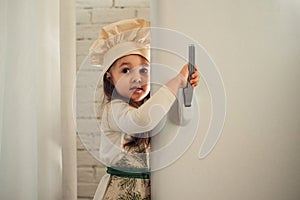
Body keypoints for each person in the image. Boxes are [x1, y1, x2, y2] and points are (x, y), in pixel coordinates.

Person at [89, 18, 200, 200]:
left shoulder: (148, 107)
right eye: (126, 70)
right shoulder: (113, 110)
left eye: (144, 70)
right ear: (110, 77)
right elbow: (141, 120)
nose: (137, 78)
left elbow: (162, 114)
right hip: (119, 192)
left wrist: (186, 88)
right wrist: (177, 81)